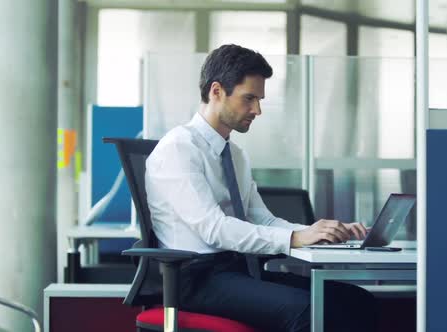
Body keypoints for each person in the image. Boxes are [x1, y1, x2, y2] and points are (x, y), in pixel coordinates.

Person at [145, 44, 377, 332]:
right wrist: (296, 237)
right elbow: (214, 229)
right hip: (194, 279)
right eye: (249, 98)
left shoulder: (235, 155)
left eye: (259, 99)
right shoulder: (179, 148)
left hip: (237, 270)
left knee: (356, 301)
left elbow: (262, 219)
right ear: (216, 91)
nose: (257, 110)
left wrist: (317, 233)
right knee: (306, 311)